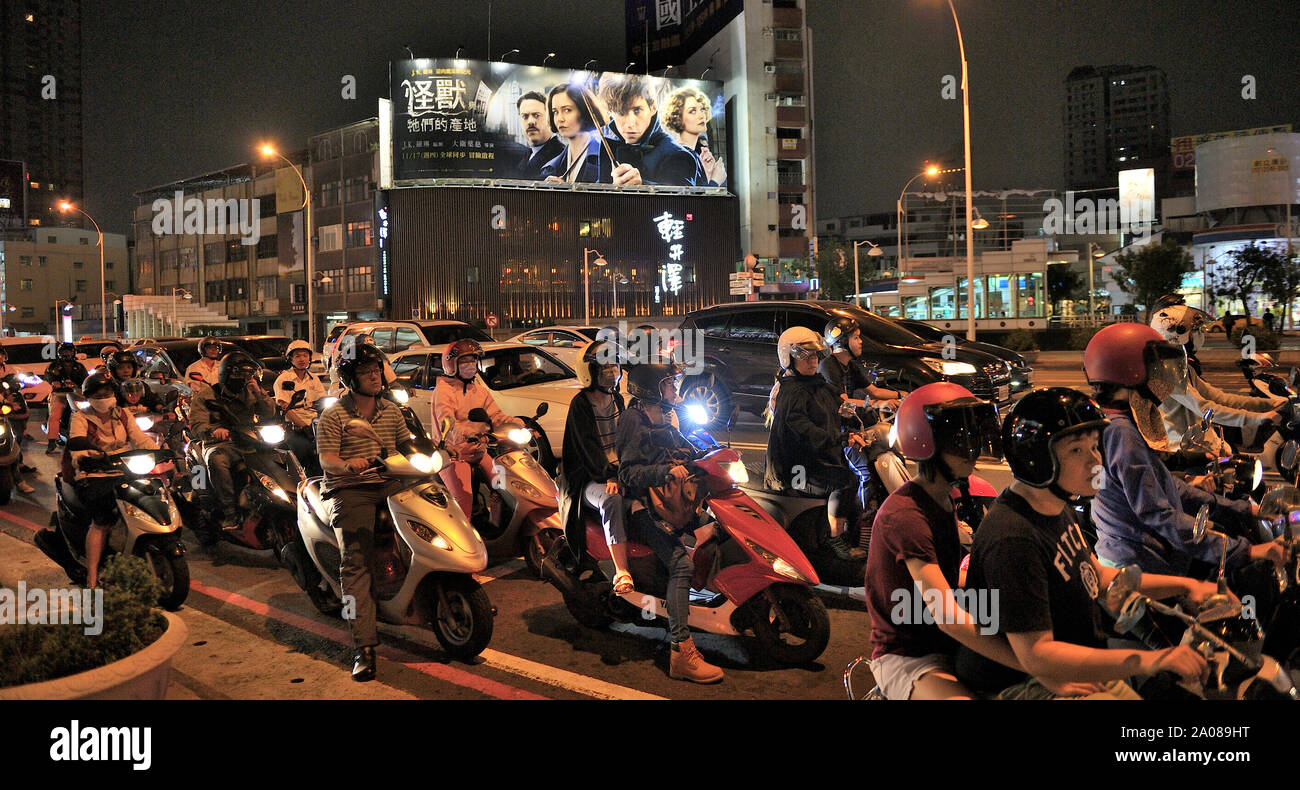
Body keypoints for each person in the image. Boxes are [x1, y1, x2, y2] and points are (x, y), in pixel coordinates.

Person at [954, 387, 1221, 700]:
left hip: (1073, 665)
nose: (1095, 460)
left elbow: (1098, 575)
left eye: (1095, 446)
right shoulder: (1014, 537)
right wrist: (1151, 660)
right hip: (1024, 683)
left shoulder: (1055, 506)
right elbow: (1037, 654)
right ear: (1036, 459)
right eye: (1076, 451)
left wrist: (1186, 587)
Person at [866, 382, 1087, 699]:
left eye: (973, 434)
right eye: (960, 438)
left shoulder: (948, 494)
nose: (973, 446)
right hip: (909, 655)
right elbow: (947, 617)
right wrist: (1039, 667)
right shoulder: (906, 517)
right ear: (926, 444)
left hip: (948, 640)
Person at [1083, 323, 1284, 578]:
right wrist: (1243, 551)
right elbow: (1158, 515)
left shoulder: (1122, 424)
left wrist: (1244, 509)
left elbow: (1167, 485)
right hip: (1139, 568)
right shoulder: (1120, 433)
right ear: (1129, 373)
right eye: (1154, 368)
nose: (1162, 377)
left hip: (1149, 557)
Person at [617, 361, 722, 683]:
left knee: (720, 529)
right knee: (681, 566)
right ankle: (680, 650)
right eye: (670, 385)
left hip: (675, 501)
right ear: (652, 390)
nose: (675, 390)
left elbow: (684, 446)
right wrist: (663, 472)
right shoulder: (633, 420)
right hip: (644, 506)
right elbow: (627, 473)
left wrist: (715, 454)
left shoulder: (663, 414)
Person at [316, 344, 414, 682]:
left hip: (391, 482)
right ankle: (363, 645)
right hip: (352, 488)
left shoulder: (391, 410)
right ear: (350, 378)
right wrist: (346, 464)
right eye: (365, 372)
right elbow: (326, 458)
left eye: (377, 370)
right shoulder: (335, 415)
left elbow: (408, 447)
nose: (375, 376)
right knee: (355, 562)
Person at [765, 326, 867, 561]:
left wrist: (867, 412)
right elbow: (807, 432)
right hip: (796, 469)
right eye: (805, 356)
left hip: (818, 460)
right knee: (846, 481)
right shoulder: (790, 394)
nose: (812, 361)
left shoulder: (816, 384)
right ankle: (834, 540)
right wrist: (842, 438)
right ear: (788, 357)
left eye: (814, 355)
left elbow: (839, 405)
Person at [1147, 297, 1283, 461]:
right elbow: (1205, 408)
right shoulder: (1165, 372)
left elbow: (1219, 397)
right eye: (1194, 329)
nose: (1199, 334)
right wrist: (1259, 418)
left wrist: (1274, 403)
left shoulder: (1183, 367)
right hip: (1187, 454)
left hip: (1207, 446)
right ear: (1175, 331)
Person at [65, 372, 159, 588]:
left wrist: (161, 451)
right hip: (95, 473)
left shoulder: (123, 413)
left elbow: (139, 439)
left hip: (124, 468)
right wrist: (90, 455)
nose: (104, 397)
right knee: (102, 521)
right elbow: (76, 449)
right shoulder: (81, 417)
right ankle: (92, 576)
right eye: (98, 394)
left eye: (107, 392)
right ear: (89, 397)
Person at [559, 341, 632, 593]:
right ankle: (622, 570)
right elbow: (588, 450)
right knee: (612, 500)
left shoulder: (617, 399)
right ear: (590, 373)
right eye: (605, 367)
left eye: (614, 365)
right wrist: (609, 476)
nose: (612, 371)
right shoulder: (581, 404)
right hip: (589, 478)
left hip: (616, 472)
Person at [432, 339, 526, 518]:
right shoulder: (444, 390)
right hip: (454, 455)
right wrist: (469, 433)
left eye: (473, 360)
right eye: (465, 361)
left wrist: (518, 423)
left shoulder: (479, 390)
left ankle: (497, 525)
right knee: (463, 501)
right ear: (451, 364)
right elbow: (447, 420)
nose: (471, 365)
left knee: (506, 487)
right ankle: (466, 541)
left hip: (478, 451)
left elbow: (496, 416)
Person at [187, 351, 277, 532]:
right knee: (217, 461)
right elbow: (197, 424)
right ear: (226, 374)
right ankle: (230, 513)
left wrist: (259, 393)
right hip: (219, 443)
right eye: (240, 374)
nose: (244, 379)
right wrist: (214, 431)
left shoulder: (251, 391)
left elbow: (269, 413)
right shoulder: (206, 396)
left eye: (248, 374)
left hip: (250, 441)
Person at [596, 73, 704, 187]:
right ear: (611, 112)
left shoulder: (679, 156)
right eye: (621, 112)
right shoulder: (608, 148)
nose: (630, 123)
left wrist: (642, 186)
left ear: (653, 107)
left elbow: (682, 201)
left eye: (637, 110)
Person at [273, 339, 327, 475]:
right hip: (296, 429)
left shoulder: (314, 378)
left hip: (315, 426)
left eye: (305, 355)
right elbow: (285, 406)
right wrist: (304, 426)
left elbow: (323, 401)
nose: (302, 359)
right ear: (290, 359)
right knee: (303, 454)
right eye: (297, 356)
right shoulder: (284, 379)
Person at [539, 83, 609, 184]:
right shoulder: (550, 168)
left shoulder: (606, 159)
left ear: (584, 111)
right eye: (555, 112)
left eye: (567, 110)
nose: (560, 119)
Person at [660, 86, 726, 187]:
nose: (701, 115)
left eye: (702, 109)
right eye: (692, 111)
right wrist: (716, 180)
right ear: (677, 118)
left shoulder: (691, 155)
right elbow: (689, 201)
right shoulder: (680, 157)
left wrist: (708, 174)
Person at [0, 347, 34, 494]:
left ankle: (19, 480)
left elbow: (5, 395)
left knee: (9, 445)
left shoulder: (8, 371)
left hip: (2, 415)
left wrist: (7, 403)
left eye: (1, 355)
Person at [43, 342, 88, 454]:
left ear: (73, 352)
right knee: (55, 416)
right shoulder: (53, 366)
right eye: (64, 351)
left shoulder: (79, 367)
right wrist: (54, 382)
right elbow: (48, 376)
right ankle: (52, 442)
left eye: (69, 351)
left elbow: (86, 379)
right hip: (59, 395)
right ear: (60, 353)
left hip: (75, 395)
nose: (67, 354)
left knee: (85, 414)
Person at [511, 91, 565, 180]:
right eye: (525, 116)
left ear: (550, 118)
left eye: (536, 115)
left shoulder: (561, 156)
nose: (530, 121)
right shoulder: (527, 154)